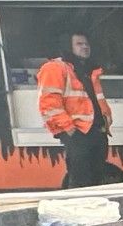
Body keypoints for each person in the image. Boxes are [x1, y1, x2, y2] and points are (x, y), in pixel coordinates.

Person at [37, 32, 115, 189]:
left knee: (97, 180)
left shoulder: (89, 69)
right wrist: (70, 130)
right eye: (79, 44)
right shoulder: (55, 68)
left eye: (87, 44)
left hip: (97, 132)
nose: (85, 47)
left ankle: (94, 212)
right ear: (68, 47)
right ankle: (80, 212)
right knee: (81, 181)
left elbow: (96, 99)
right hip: (78, 134)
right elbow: (49, 104)